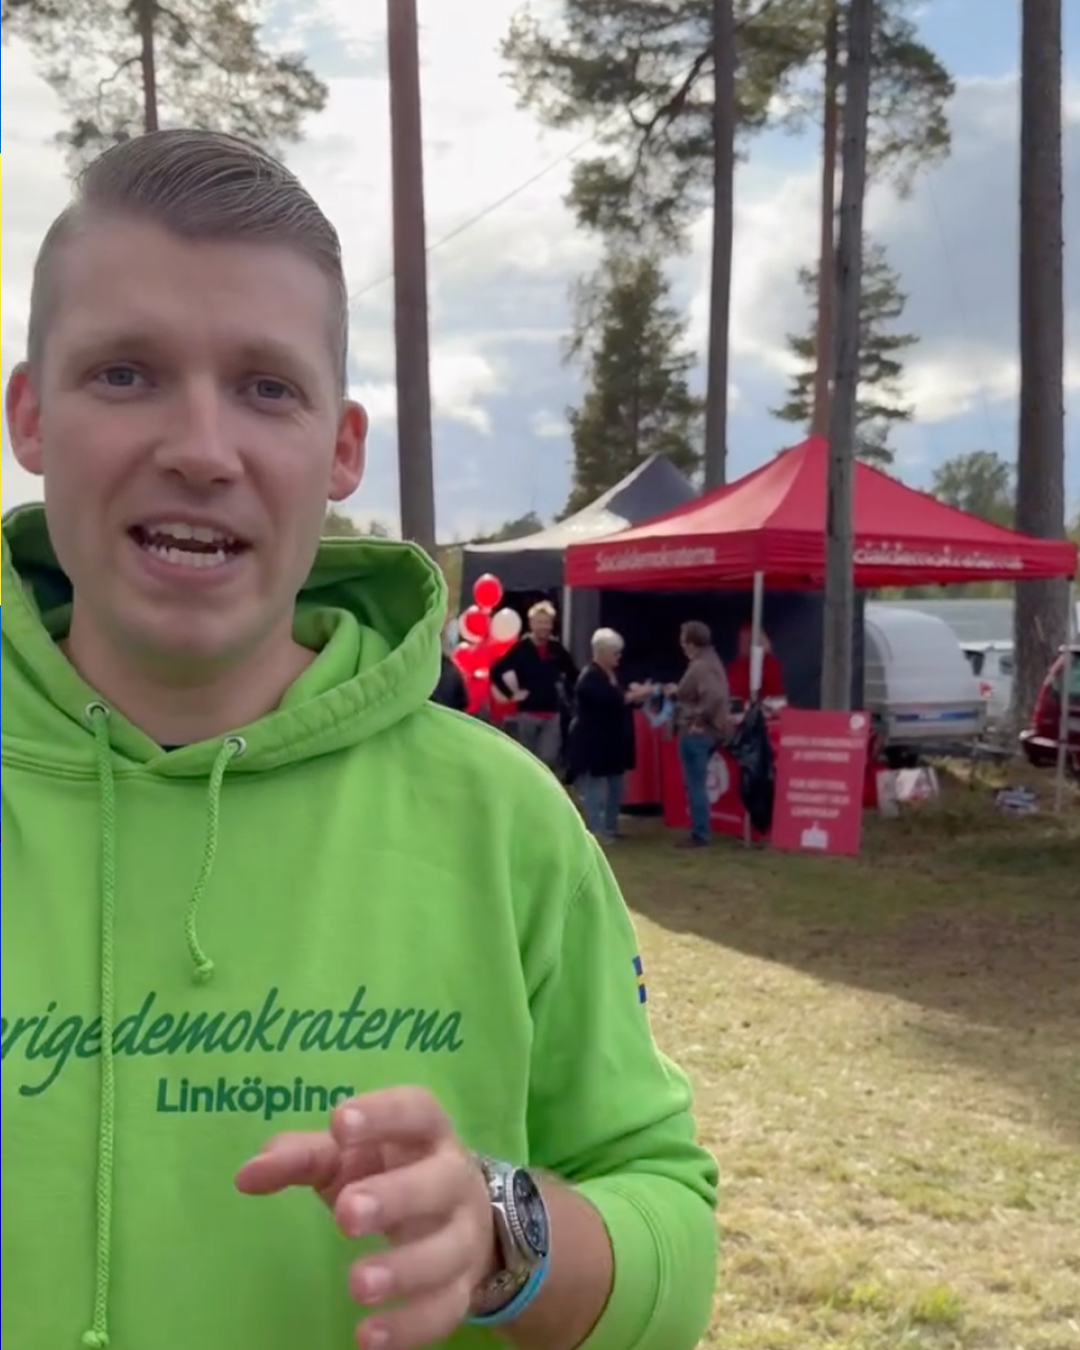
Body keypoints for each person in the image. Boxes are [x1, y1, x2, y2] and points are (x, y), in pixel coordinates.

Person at [0, 131, 718, 1350]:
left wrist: (504, 1232)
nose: (200, 448)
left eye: (266, 388)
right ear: (31, 415)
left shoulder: (502, 820)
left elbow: (672, 1247)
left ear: (341, 449)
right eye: (125, 373)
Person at [568, 629, 651, 843]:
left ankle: (611, 827)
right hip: (595, 742)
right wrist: (633, 695)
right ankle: (596, 829)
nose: (619, 657)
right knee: (595, 786)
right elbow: (608, 701)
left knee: (616, 785)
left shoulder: (612, 675)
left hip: (614, 741)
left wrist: (633, 696)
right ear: (602, 652)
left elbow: (618, 700)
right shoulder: (590, 677)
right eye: (615, 653)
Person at [491, 601, 578, 772]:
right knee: (528, 759)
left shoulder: (556, 649)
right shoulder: (521, 649)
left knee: (548, 758)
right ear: (531, 624)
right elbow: (496, 670)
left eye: (547, 622)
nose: (543, 627)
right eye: (539, 622)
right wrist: (511, 694)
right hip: (527, 714)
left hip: (552, 714)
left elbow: (573, 674)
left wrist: (571, 698)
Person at [670, 621, 732, 848]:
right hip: (711, 731)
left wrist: (699, 719)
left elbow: (714, 696)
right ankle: (700, 830)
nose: (681, 643)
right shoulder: (711, 660)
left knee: (695, 784)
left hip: (696, 732)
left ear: (690, 642)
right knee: (697, 783)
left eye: (683, 638)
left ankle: (700, 833)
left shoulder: (700, 666)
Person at [726, 625, 786, 707]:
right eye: (742, 641)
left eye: (749, 640)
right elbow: (734, 691)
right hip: (742, 707)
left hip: (769, 705)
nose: (745, 644)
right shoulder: (735, 667)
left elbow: (773, 691)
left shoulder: (771, 663)